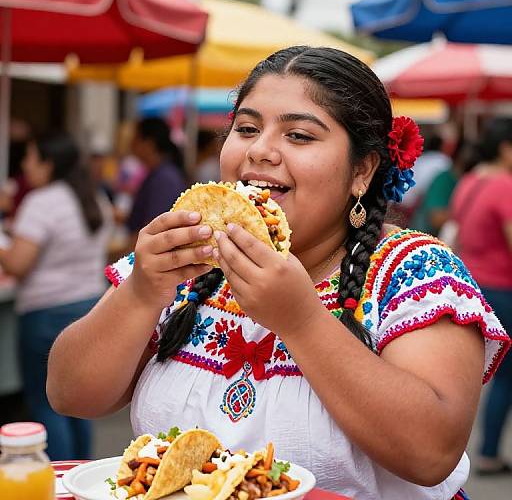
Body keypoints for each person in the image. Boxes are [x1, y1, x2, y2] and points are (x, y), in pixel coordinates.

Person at [46, 47, 510, 499]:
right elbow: (71, 394)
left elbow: (432, 454)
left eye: (299, 136)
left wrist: (301, 321)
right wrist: (143, 291)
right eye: (246, 128)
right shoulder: (185, 261)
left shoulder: (414, 271)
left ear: (362, 172)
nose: (261, 151)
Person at [0, 133, 112, 460]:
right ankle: (81, 474)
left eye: (30, 158)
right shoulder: (93, 196)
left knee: (48, 402)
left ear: (49, 163)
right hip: (90, 305)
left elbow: (18, 264)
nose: (24, 165)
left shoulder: (42, 202)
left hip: (45, 314)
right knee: (81, 403)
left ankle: (60, 479)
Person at [450, 118, 512, 476]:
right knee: (505, 378)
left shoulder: (471, 179)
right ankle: (489, 451)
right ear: (506, 149)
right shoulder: (504, 185)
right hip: (503, 289)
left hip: (473, 286)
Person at [126, 117, 188, 249]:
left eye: (135, 138)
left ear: (149, 143)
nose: (130, 143)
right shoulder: (160, 174)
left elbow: (154, 228)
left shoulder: (164, 178)